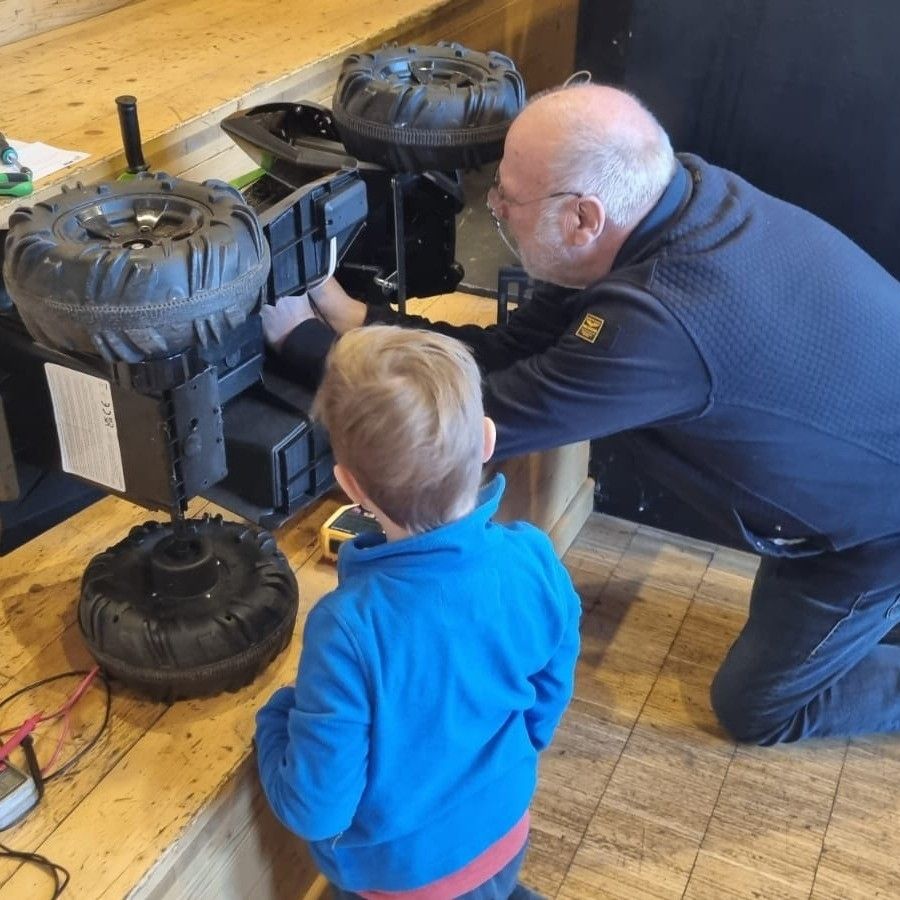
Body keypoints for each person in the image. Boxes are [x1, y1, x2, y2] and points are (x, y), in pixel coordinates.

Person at [261, 82, 900, 747]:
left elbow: (460, 420)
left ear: (582, 217)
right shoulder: (672, 200)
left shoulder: (658, 328)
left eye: (508, 198)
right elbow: (506, 350)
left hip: (874, 526)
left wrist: (302, 345)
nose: (494, 206)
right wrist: (360, 321)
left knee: (755, 707)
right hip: (867, 442)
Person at [254, 325, 582, 899]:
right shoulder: (532, 556)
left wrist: (274, 720)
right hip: (504, 834)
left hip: (400, 882)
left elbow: (317, 811)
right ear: (486, 440)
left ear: (350, 486)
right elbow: (556, 662)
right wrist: (528, 737)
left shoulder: (346, 630)